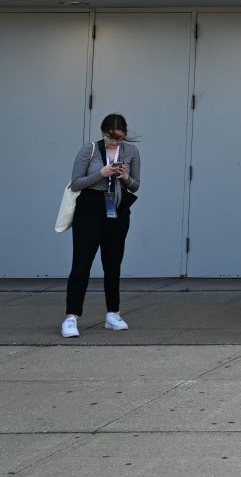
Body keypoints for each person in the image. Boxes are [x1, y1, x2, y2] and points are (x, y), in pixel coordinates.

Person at [62, 114, 141, 338]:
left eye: (119, 138)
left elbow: (136, 185)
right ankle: (71, 316)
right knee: (81, 262)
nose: (115, 142)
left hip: (116, 210)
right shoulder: (90, 150)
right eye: (111, 138)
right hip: (89, 209)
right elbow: (75, 182)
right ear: (103, 132)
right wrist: (101, 173)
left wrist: (125, 177)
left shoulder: (131, 152)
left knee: (113, 263)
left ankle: (113, 314)